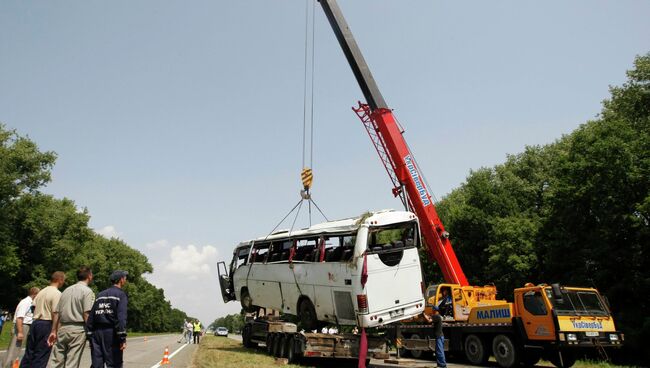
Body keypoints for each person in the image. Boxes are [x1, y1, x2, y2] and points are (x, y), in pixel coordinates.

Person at [48, 266, 95, 368]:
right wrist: (91, 332)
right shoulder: (87, 292)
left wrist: (53, 331)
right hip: (77, 329)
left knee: (56, 360)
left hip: (63, 328)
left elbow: (57, 312)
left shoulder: (66, 290)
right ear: (89, 276)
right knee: (72, 362)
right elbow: (86, 313)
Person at [20, 271, 66, 368]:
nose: (63, 283)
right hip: (46, 324)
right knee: (41, 355)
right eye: (63, 280)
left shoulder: (41, 292)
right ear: (60, 280)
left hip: (35, 322)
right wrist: (55, 330)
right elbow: (55, 313)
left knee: (29, 353)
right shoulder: (57, 293)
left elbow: (33, 307)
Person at [86, 270, 129, 368]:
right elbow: (121, 318)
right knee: (113, 364)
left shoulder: (100, 295)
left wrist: (89, 334)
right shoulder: (121, 295)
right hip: (111, 334)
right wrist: (122, 337)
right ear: (121, 280)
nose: (125, 279)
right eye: (125, 277)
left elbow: (92, 315)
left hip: (96, 333)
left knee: (97, 364)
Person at [2, 287, 39, 368]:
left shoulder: (31, 302)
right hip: (22, 325)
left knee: (18, 350)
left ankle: (13, 365)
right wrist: (20, 332)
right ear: (34, 294)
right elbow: (19, 317)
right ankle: (8, 366)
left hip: (26, 325)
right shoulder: (25, 302)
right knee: (14, 350)